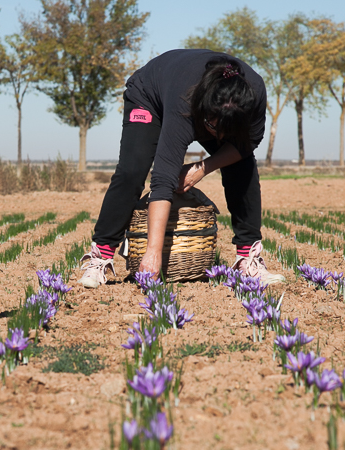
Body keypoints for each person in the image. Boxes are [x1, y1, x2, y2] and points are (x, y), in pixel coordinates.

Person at [78, 49, 284, 288]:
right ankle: (100, 257)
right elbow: (164, 179)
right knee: (132, 169)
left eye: (226, 133)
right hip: (149, 95)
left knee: (242, 166)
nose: (218, 138)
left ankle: (248, 259)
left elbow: (249, 143)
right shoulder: (185, 103)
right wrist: (153, 253)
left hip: (215, 114)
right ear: (205, 113)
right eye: (213, 128)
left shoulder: (254, 94)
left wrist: (203, 167)